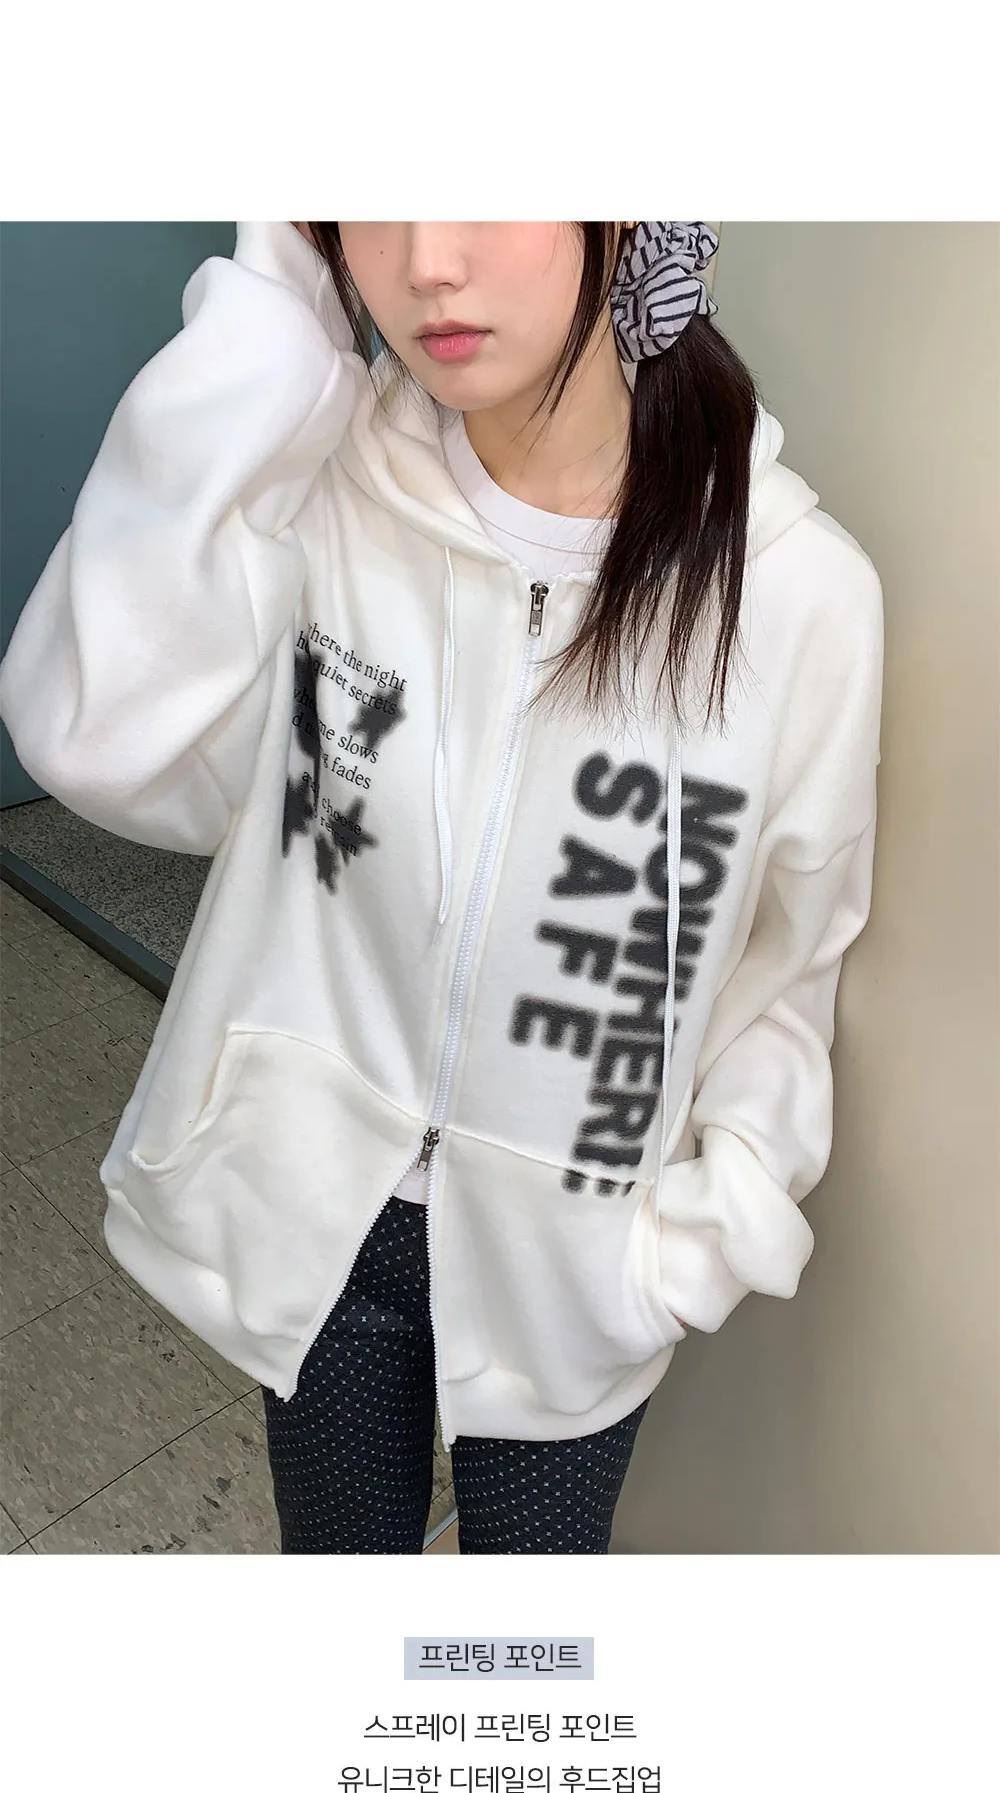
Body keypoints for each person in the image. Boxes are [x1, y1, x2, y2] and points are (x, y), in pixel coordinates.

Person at [0, 218, 884, 1556]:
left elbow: (787, 962)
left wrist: (694, 1246)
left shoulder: (800, 596)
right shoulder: (318, 492)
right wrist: (271, 326)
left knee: (527, 1641)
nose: (424, 260)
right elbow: (93, 737)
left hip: (576, 1270)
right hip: (318, 1216)